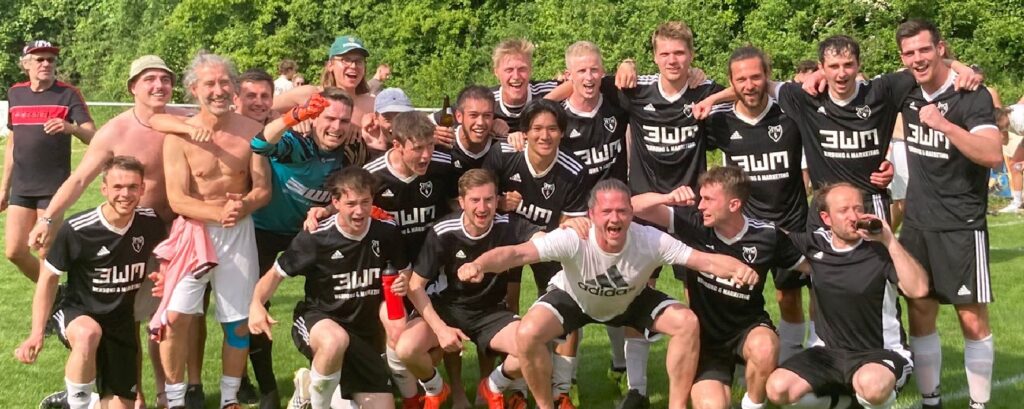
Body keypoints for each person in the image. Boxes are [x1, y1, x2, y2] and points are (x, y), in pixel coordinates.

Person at [458, 178, 758, 409]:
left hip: (631, 299)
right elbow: (516, 254)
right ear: (591, 214)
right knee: (527, 333)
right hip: (575, 297)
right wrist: (479, 264)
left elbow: (705, 261)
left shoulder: (651, 240)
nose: (614, 219)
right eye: (606, 212)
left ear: (632, 213)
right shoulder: (573, 237)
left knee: (686, 322)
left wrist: (741, 269)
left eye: (622, 211)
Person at [27, 54, 182, 409]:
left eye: (165, 79)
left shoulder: (182, 123)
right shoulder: (116, 131)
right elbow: (80, 178)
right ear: (133, 87)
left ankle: (167, 395)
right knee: (126, 318)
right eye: (149, 79)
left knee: (170, 320)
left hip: (172, 237)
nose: (159, 86)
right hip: (127, 237)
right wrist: (47, 218)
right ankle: (129, 394)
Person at [894, 19, 1004, 409]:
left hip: (961, 224)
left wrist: (944, 125)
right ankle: (931, 402)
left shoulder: (970, 95)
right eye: (909, 53)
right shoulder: (905, 88)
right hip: (917, 224)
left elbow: (992, 155)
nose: (917, 59)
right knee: (920, 312)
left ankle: (978, 405)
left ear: (940, 48)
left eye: (925, 49)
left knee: (972, 320)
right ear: (902, 58)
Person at [631, 167, 804, 409]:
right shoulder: (693, 223)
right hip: (706, 338)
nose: (701, 205)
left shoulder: (767, 236)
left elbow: (811, 265)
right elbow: (632, 207)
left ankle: (753, 405)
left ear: (734, 204)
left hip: (748, 329)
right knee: (713, 405)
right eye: (701, 198)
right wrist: (666, 198)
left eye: (709, 199)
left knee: (765, 347)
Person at [157, 53, 271, 409]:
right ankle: (175, 399)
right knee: (175, 318)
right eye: (210, 83)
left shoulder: (252, 132)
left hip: (238, 234)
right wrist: (217, 212)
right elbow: (177, 199)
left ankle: (229, 398)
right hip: (193, 234)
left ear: (234, 88)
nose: (218, 90)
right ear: (194, 89)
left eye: (224, 82)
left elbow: (262, 189)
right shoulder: (178, 136)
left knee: (237, 322)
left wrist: (244, 205)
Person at [249, 166, 409, 409]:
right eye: (351, 203)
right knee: (335, 340)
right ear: (335, 202)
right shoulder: (316, 237)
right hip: (321, 321)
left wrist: (403, 280)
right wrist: (256, 304)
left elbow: (404, 270)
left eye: (365, 202)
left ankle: (309, 388)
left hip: (364, 336)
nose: (359, 211)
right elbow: (275, 274)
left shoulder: (386, 233)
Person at [15, 156, 167, 409]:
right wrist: (36, 333)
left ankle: (79, 399)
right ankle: (76, 402)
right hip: (78, 312)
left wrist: (164, 275)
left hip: (121, 324)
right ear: (104, 189)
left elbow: (166, 255)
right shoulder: (78, 229)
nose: (125, 194)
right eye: (118, 187)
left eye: (132, 187)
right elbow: (48, 279)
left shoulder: (150, 222)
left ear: (142, 189)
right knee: (88, 333)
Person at [765, 183, 929, 409]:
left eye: (858, 208)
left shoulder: (880, 249)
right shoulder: (816, 244)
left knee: (872, 385)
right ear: (826, 218)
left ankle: (871, 399)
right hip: (826, 353)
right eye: (844, 210)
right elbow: (772, 236)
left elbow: (918, 289)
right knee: (777, 389)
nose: (853, 216)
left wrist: (890, 240)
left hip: (879, 353)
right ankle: (845, 403)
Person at [396, 169, 540, 409]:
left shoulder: (509, 226)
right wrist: (441, 330)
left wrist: (564, 230)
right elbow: (415, 285)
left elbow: (541, 238)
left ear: (497, 200)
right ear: (462, 202)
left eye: (489, 199)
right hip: (447, 308)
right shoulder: (444, 231)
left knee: (533, 348)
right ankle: (437, 388)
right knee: (406, 349)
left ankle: (492, 385)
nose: (482, 208)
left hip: (491, 312)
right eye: (475, 200)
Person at [703, 46, 809, 364]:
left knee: (789, 296)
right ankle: (734, 361)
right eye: (741, 79)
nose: (749, 85)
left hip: (792, 223)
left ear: (767, 76)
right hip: (746, 228)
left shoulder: (790, 113)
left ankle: (791, 362)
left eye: (755, 77)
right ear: (731, 82)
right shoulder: (720, 121)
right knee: (738, 296)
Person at [363, 111, 458, 407]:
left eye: (430, 145)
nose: (426, 155)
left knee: (418, 342)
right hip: (391, 272)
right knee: (396, 338)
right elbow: (347, 205)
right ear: (397, 145)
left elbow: (457, 208)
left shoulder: (443, 166)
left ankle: (426, 391)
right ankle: (421, 394)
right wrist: (320, 211)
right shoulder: (372, 176)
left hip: (433, 271)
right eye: (417, 148)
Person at [3, 40, 96, 283]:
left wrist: (71, 128)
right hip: (21, 187)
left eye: (51, 59)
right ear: (26, 64)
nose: (46, 64)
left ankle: (48, 301)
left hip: (53, 188)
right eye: (39, 59)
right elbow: (13, 143)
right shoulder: (15, 93)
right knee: (14, 251)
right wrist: (4, 189)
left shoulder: (68, 94)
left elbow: (93, 136)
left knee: (46, 253)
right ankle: (58, 295)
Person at [274, 35, 374, 142]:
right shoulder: (309, 94)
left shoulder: (373, 105)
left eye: (359, 61)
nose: (353, 66)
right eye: (346, 60)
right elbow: (264, 110)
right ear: (330, 65)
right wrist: (291, 118)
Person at [489, 39, 560, 132]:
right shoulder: (488, 99)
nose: (516, 76)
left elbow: (573, 84)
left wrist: (544, 102)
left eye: (522, 69)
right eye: (509, 70)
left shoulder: (542, 91)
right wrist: (490, 124)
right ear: (496, 72)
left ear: (530, 70)